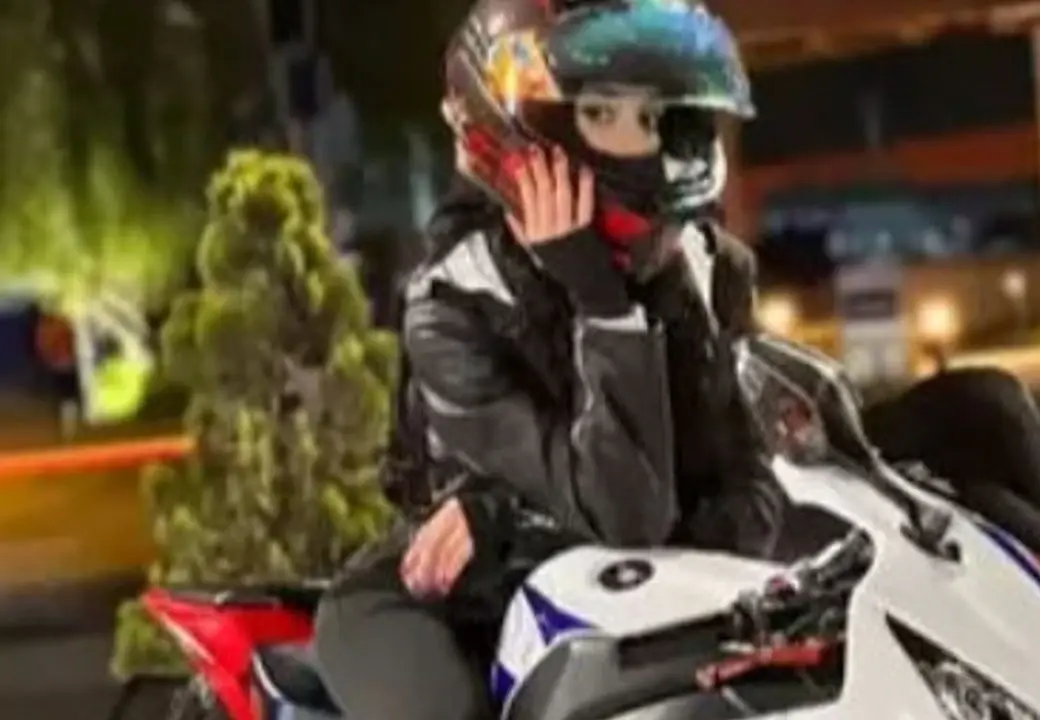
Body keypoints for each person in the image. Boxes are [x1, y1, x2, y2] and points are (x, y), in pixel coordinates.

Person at [313, 1, 788, 718]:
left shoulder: (710, 271)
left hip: (619, 600)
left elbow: (752, 489)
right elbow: (626, 514)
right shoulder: (456, 303)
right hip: (442, 602)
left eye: (654, 116)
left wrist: (687, 553)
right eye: (602, 112)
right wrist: (602, 304)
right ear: (525, 133)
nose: (646, 146)